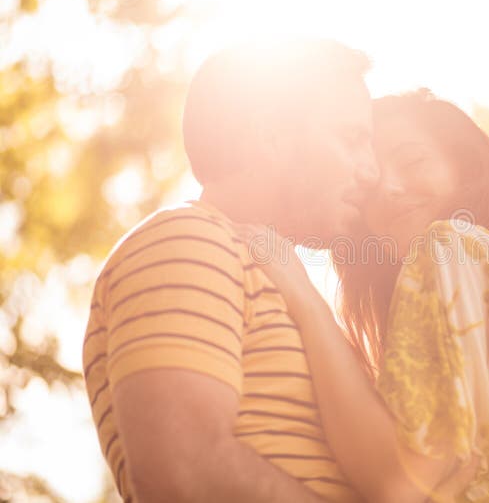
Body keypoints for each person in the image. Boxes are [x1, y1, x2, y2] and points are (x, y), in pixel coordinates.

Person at [254, 90, 489, 502]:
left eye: (413, 162)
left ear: (465, 168)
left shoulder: (449, 246)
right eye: (374, 181)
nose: (390, 189)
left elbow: (396, 485)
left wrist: (307, 302)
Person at [82, 39, 379, 502]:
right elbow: (182, 471)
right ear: (270, 138)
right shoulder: (186, 241)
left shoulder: (281, 282)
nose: (372, 171)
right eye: (352, 139)